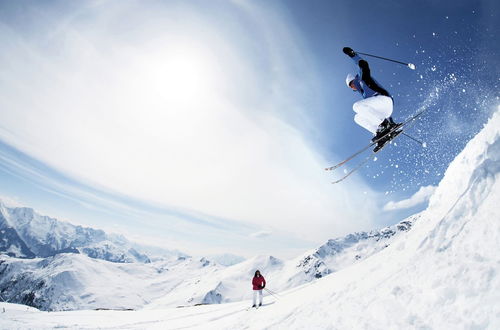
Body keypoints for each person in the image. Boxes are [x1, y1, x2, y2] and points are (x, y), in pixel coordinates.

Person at [343, 46, 402, 152]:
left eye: (351, 85)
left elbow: (364, 65)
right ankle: (380, 133)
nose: (353, 88)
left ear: (352, 81)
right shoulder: (364, 95)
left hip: (385, 100)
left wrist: (352, 55)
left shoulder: (362, 78)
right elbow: (374, 109)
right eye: (351, 87)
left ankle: (384, 125)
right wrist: (392, 123)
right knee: (357, 118)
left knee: (357, 106)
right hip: (383, 111)